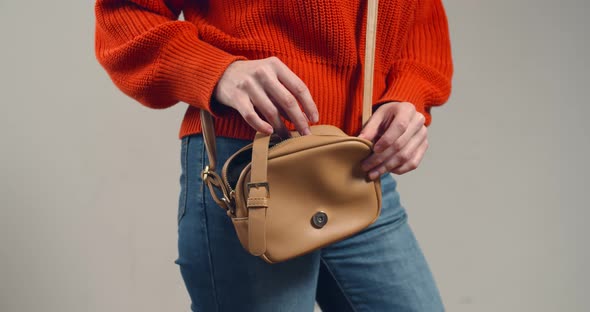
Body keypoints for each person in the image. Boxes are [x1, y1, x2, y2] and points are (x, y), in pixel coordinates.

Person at [94, 0, 453, 311]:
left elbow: (420, 18)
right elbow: (125, 12)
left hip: (357, 165)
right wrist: (219, 70)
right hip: (249, 169)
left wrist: (409, 94)